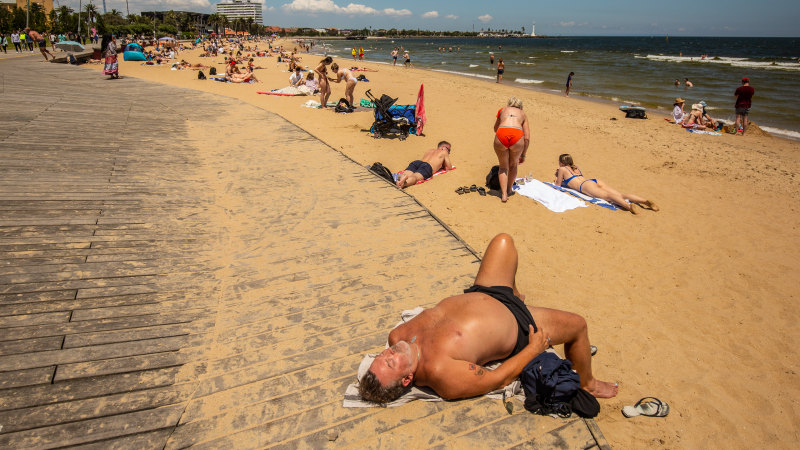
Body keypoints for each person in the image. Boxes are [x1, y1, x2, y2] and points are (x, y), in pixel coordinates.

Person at [358, 233, 619, 404]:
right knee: (578, 325)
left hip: (485, 291)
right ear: (406, 379)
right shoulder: (440, 372)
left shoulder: (398, 336)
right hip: (518, 323)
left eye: (382, 358)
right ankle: (589, 382)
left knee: (503, 241)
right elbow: (498, 379)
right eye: (390, 363)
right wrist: (533, 349)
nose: (386, 354)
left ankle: (515, 293)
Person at [554, 154, 658, 214]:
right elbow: (576, 178)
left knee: (608, 197)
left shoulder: (562, 169)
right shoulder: (575, 167)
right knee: (620, 195)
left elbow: (558, 185)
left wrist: (557, 176)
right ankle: (644, 201)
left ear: (561, 163)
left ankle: (628, 206)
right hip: (593, 181)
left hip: (585, 186)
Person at [493, 97, 530, 203]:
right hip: (517, 135)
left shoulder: (502, 110)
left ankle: (504, 195)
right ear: (520, 106)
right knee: (513, 165)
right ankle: (509, 190)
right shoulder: (523, 114)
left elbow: (495, 129)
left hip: (502, 134)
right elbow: (527, 137)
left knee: (503, 167)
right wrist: (523, 154)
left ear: (509, 104)